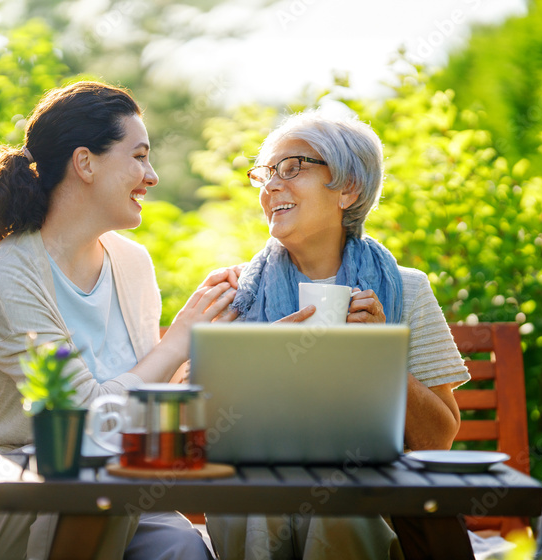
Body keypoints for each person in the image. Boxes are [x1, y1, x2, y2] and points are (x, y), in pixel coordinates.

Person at [0, 81, 235, 560]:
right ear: (85, 163)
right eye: (139, 156)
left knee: (182, 548)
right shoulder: (5, 276)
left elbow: (146, 400)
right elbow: (84, 421)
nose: (151, 176)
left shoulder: (133, 263)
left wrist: (223, 347)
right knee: (95, 497)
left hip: (110, 483)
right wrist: (178, 342)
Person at [206, 111, 472, 560]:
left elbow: (439, 439)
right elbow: (196, 434)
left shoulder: (405, 289)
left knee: (338, 501)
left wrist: (380, 357)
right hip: (259, 493)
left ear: (348, 189)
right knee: (271, 501)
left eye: (291, 168)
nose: (270, 186)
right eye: (264, 174)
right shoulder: (236, 295)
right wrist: (252, 367)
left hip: (369, 500)